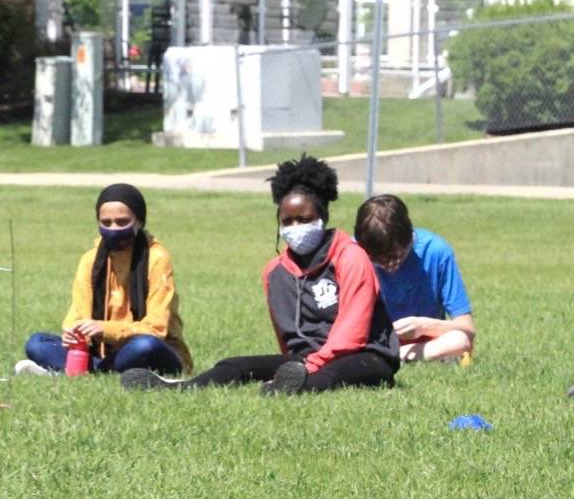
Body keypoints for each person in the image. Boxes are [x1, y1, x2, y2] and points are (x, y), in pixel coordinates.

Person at [123, 155, 399, 394]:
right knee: (236, 365)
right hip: (306, 360)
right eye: (286, 221)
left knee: (329, 376)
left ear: (322, 216)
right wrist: (294, 364)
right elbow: (287, 337)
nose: (294, 227)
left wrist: (309, 366)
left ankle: (291, 389)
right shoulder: (275, 272)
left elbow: (352, 334)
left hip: (365, 356)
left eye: (303, 219)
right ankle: (182, 387)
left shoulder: (351, 256)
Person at [15, 183, 193, 377]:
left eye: (122, 221)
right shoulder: (90, 259)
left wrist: (104, 328)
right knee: (37, 343)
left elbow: (156, 329)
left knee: (145, 346)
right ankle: (97, 369)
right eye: (106, 223)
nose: (113, 229)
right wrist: (73, 333)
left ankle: (78, 371)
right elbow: (78, 314)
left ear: (139, 222)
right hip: (99, 351)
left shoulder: (157, 258)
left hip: (153, 348)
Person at [354, 194, 475, 363]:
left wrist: (422, 326)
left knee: (459, 340)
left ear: (409, 238)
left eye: (395, 257)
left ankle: (395, 356)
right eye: (377, 260)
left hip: (424, 342)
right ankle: (391, 356)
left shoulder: (436, 251)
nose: (388, 266)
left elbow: (467, 328)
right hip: (372, 339)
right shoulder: (353, 254)